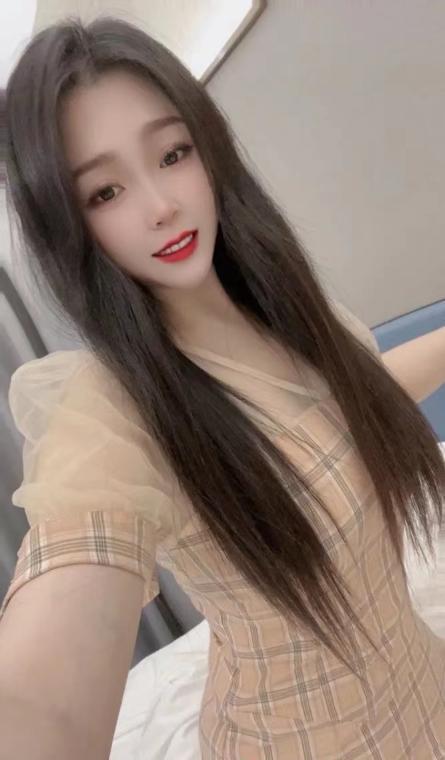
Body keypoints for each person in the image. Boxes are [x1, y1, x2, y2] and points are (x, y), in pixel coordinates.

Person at [0, 15, 444, 760]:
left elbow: (347, 415)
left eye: (172, 154)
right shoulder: (113, 409)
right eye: (105, 192)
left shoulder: (296, 318)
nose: (160, 205)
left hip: (423, 686)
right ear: (66, 225)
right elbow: (43, 700)